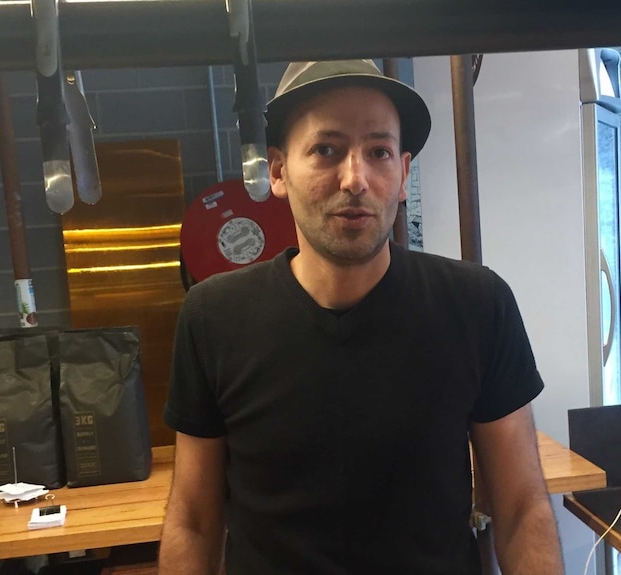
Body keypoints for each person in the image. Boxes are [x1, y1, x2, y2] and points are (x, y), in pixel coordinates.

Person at [158, 59, 563, 574]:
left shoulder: (476, 306)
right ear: (278, 171)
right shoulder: (213, 317)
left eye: (378, 152)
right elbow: (193, 520)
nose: (356, 179)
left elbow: (521, 507)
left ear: (402, 175)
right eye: (326, 150)